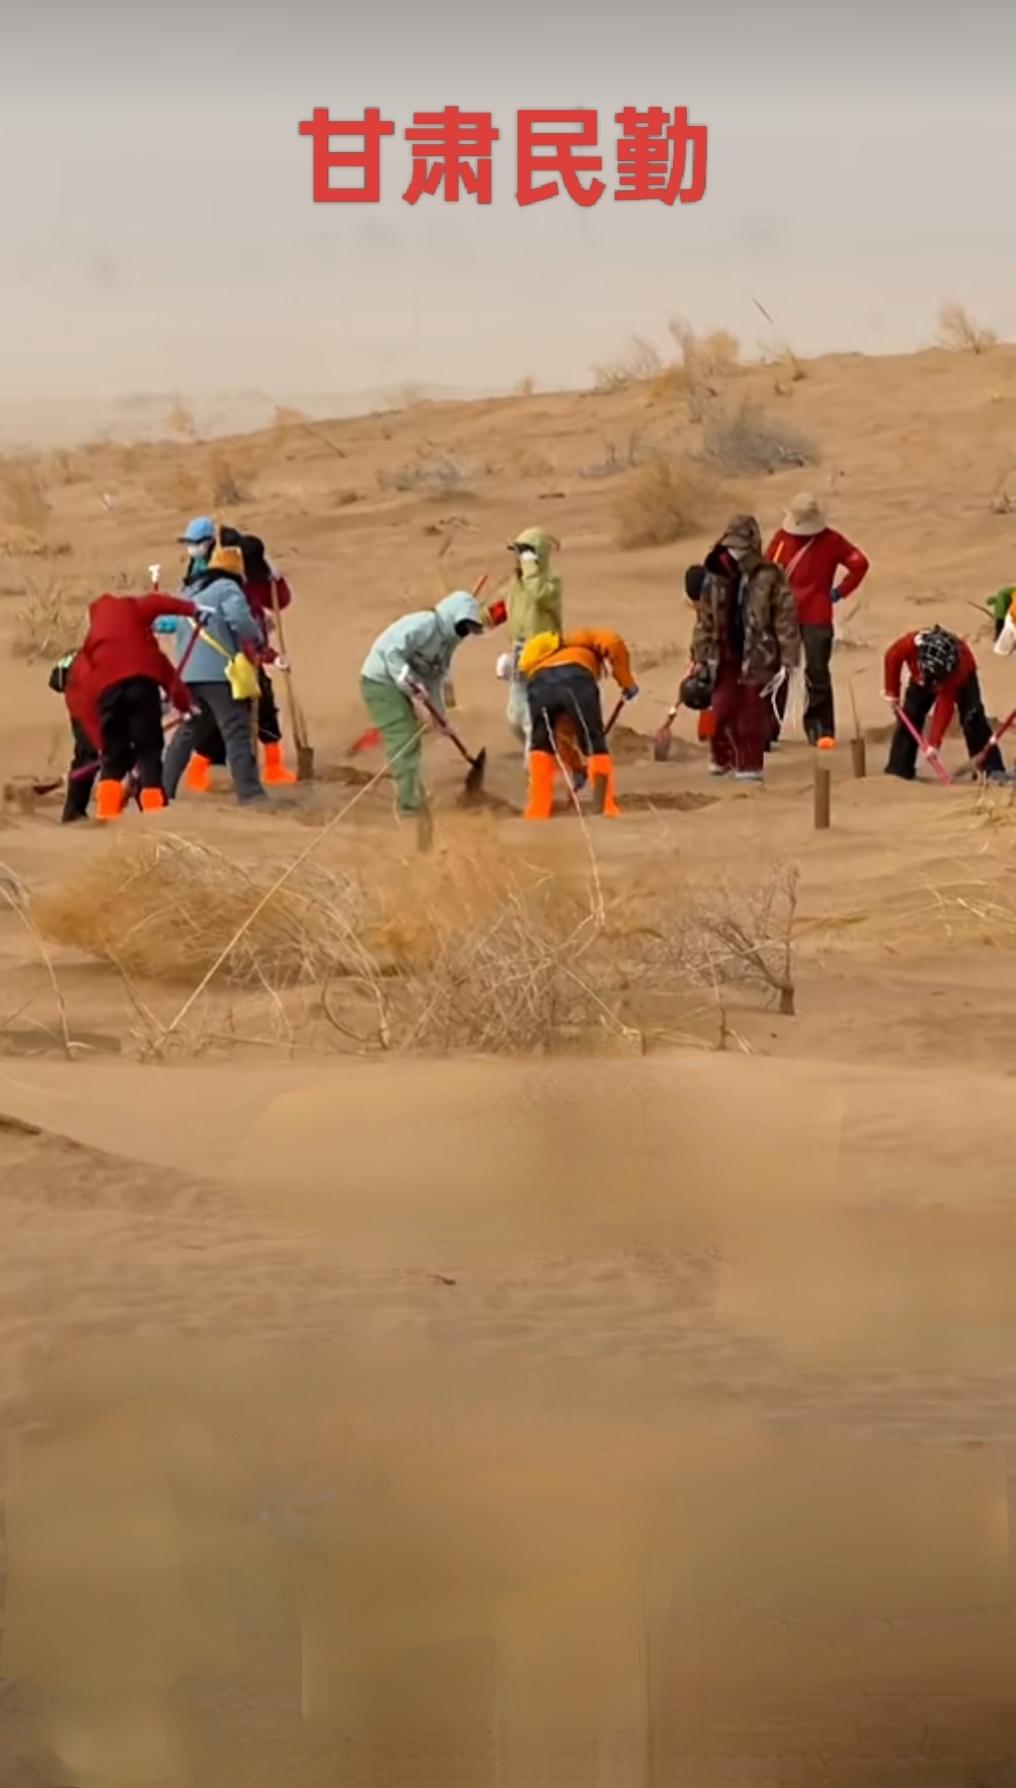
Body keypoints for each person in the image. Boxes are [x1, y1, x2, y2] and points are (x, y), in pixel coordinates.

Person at [66, 588, 198, 820]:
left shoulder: (91, 649)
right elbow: (167, 674)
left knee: (113, 760)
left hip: (106, 695)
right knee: (148, 754)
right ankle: (155, 817)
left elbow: (84, 703)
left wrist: (100, 744)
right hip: (142, 688)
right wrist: (193, 610)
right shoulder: (136, 617)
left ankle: (106, 816)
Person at [183, 528, 297, 791]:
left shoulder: (258, 579)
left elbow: (280, 601)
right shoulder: (221, 585)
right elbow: (236, 626)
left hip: (253, 656)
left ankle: (273, 766)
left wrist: (277, 581)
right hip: (224, 658)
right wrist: (265, 654)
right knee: (218, 718)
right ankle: (199, 770)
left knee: (265, 706)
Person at [690, 516, 800, 782]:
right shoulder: (715, 578)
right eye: (731, 545)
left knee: (751, 715)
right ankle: (722, 760)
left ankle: (750, 767)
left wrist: (789, 658)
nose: (736, 552)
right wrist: (699, 656)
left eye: (741, 546)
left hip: (760, 656)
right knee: (722, 710)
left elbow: (785, 618)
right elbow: (704, 620)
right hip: (723, 655)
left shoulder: (771, 577)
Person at [360, 591, 484, 816]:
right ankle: (408, 805)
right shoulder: (425, 623)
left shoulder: (447, 645)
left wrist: (441, 719)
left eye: (468, 629)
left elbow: (434, 680)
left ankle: (411, 793)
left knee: (410, 737)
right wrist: (406, 677)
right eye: (463, 625)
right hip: (379, 681)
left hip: (398, 684)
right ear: (453, 616)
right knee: (404, 737)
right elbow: (392, 652)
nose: (464, 632)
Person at [162, 546, 268, 805]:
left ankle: (162, 790)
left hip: (188, 674)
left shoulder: (190, 591)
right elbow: (240, 620)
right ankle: (251, 793)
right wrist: (257, 637)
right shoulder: (227, 589)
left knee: (188, 731)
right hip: (218, 674)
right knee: (236, 731)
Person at [765, 493, 869, 746]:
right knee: (786, 673)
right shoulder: (786, 538)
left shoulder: (827, 541)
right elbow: (860, 564)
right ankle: (803, 729)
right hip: (796, 615)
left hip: (799, 615)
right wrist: (838, 592)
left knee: (801, 672)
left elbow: (860, 564)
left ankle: (811, 730)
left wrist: (839, 592)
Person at [517, 627, 638, 819]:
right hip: (576, 679)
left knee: (542, 742)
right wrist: (627, 682)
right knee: (593, 740)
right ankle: (605, 806)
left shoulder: (542, 657)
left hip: (539, 685)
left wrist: (576, 767)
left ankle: (538, 809)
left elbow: (562, 734)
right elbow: (613, 643)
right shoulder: (585, 639)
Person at [883, 625, 1004, 780]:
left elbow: (945, 705)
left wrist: (934, 743)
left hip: (961, 678)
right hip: (921, 675)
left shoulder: (958, 671)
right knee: (910, 715)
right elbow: (892, 658)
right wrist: (892, 692)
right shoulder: (909, 644)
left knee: (972, 718)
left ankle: (990, 769)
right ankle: (899, 769)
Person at [481, 527, 563, 751]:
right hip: (519, 651)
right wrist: (480, 616)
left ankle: (536, 768)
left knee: (532, 718)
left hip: (544, 652)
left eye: (525, 552)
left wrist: (530, 568)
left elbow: (538, 595)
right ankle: (545, 751)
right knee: (515, 718)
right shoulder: (517, 582)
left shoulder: (550, 583)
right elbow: (507, 607)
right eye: (518, 552)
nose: (519, 557)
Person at [49, 650, 98, 823]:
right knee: (90, 757)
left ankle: (74, 811)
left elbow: (56, 682)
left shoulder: (78, 654)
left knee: (87, 758)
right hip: (90, 709)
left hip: (81, 708)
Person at [178, 516, 217, 589]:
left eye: (195, 543)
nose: (191, 547)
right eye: (188, 543)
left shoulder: (218, 562)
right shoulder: (196, 560)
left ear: (210, 542)